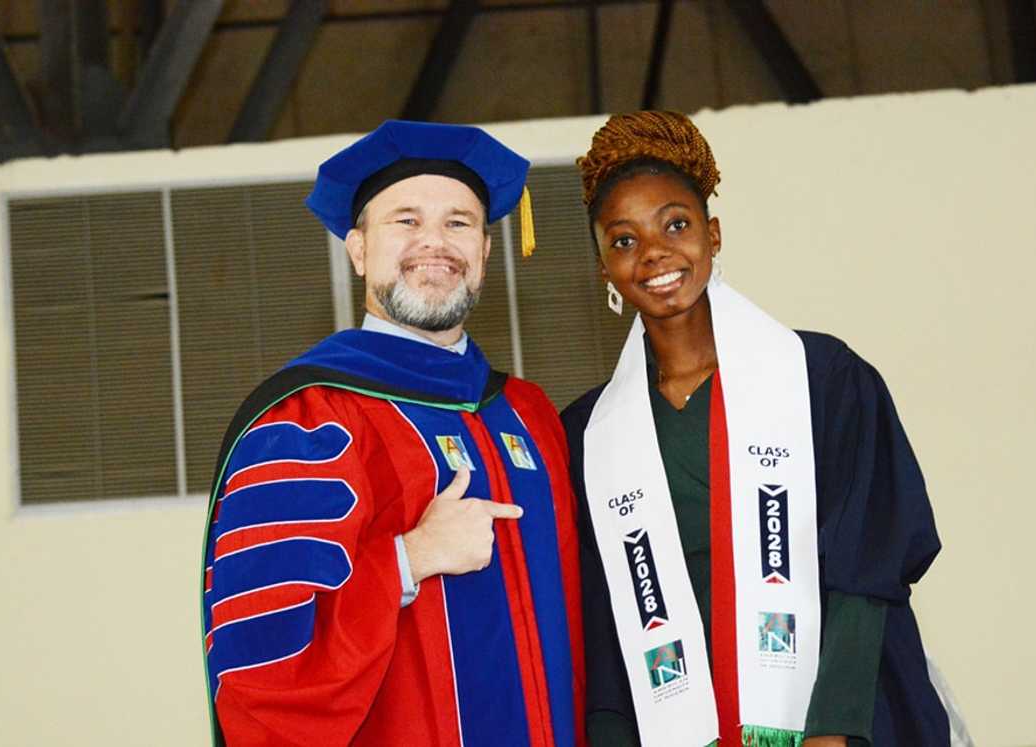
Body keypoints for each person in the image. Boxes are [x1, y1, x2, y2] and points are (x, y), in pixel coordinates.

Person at [560, 111, 949, 747]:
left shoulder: (823, 379)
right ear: (603, 267)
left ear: (712, 235)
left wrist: (833, 729)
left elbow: (868, 567)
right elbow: (604, 627)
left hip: (847, 714)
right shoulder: (587, 434)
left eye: (676, 225)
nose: (654, 253)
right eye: (623, 240)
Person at [199, 120, 584, 746]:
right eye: (405, 220)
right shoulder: (308, 419)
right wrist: (412, 558)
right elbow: (261, 670)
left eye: (459, 223)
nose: (434, 242)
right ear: (357, 250)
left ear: (486, 252)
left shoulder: (528, 413)